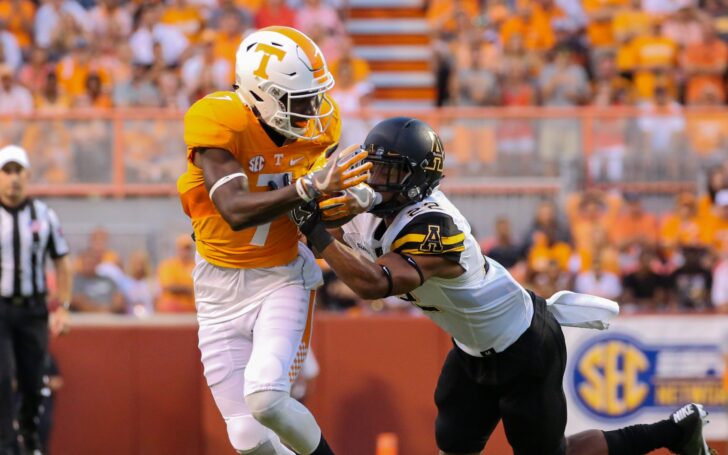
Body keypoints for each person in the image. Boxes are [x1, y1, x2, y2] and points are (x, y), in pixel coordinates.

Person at [289, 117, 714, 455]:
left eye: (389, 170)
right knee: (453, 445)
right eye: (375, 165)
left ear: (417, 178)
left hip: (525, 345)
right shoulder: (377, 203)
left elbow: (373, 282)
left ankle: (675, 431)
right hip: (471, 346)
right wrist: (315, 207)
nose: (376, 177)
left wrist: (317, 230)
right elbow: (345, 238)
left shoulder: (435, 226)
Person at [176, 26, 374, 455]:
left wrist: (349, 203)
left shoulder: (319, 127)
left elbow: (318, 210)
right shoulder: (220, 120)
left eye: (314, 95)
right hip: (216, 287)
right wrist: (309, 187)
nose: (313, 109)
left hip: (281, 275)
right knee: (246, 437)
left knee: (267, 399)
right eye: (298, 99)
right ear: (260, 93)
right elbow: (233, 208)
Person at [0, 145, 72, 455]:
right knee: (2, 379)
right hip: (0, 310)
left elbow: (63, 262)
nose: (13, 179)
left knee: (32, 382)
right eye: (7, 171)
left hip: (33, 310)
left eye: (19, 171)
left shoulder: (43, 214)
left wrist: (64, 308)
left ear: (28, 175)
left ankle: (28, 438)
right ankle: (5, 445)